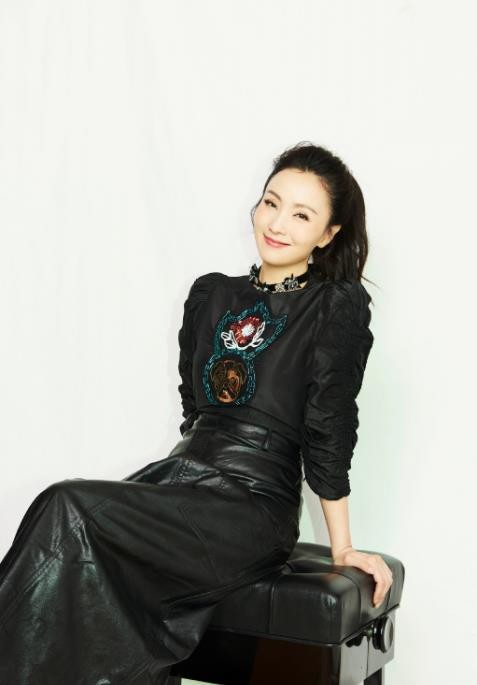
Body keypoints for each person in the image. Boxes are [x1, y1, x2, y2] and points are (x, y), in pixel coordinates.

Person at [0, 141, 393, 684]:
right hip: (184, 479)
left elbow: (329, 427)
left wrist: (342, 546)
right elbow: (196, 412)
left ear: (328, 234)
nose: (277, 223)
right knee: (70, 524)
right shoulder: (211, 296)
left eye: (302, 215)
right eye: (271, 203)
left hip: (252, 504)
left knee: (68, 503)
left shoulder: (332, 306)